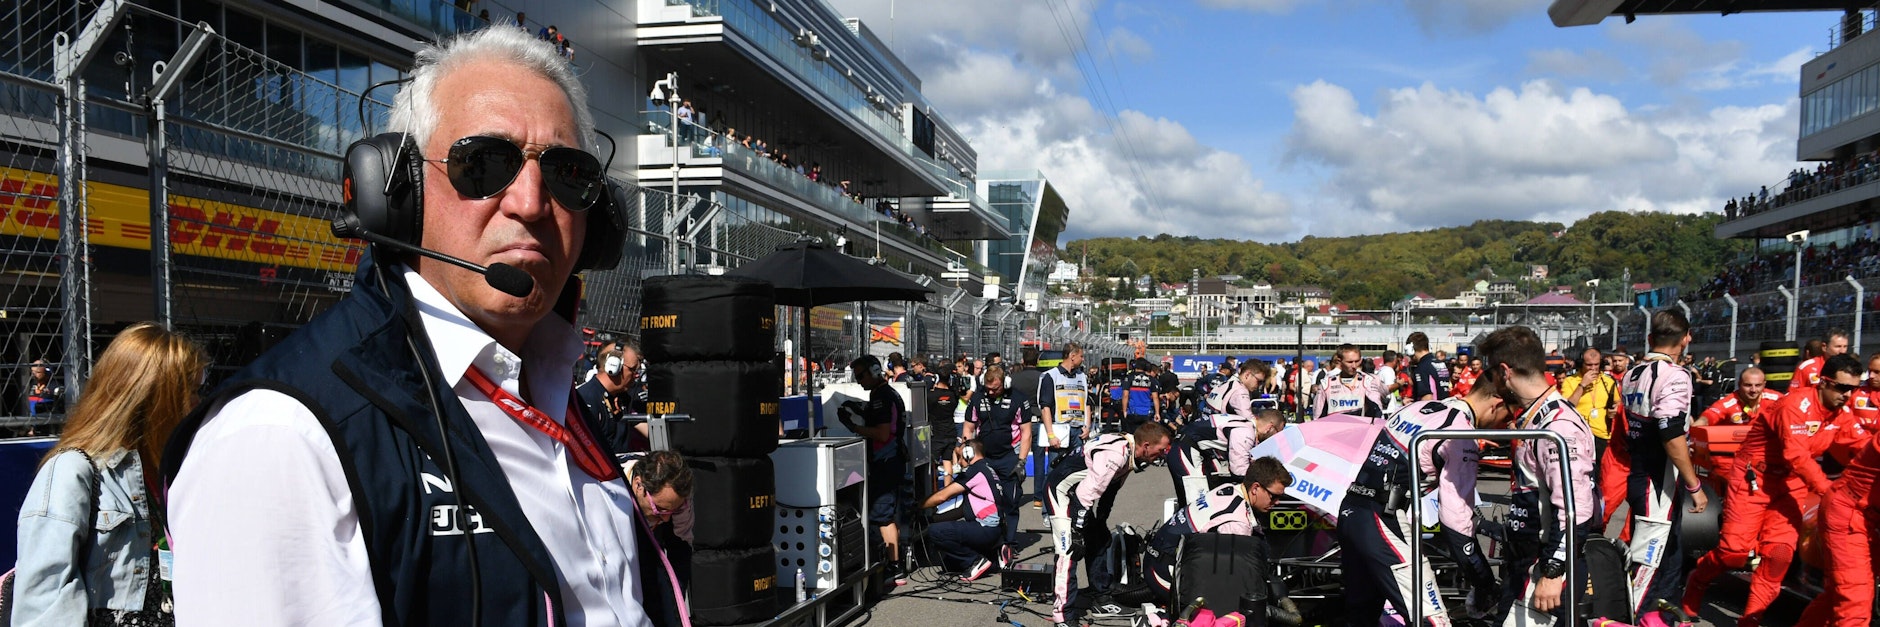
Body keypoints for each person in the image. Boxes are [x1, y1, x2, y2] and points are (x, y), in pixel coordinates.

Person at [164, 28, 687, 626]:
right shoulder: (281, 437)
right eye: (485, 163)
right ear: (398, 189)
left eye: (567, 173)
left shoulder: (559, 398)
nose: (531, 201)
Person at [14, 323, 206, 625]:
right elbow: (43, 604)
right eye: (191, 390)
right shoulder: (72, 471)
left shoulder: (172, 470)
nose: (198, 403)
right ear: (154, 397)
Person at [1336, 333, 1509, 626]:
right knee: (1432, 620)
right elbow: (1456, 523)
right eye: (1508, 414)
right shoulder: (1460, 433)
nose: (1506, 424)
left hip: (1351, 510)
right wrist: (1482, 580)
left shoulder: (1417, 407)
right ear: (1496, 403)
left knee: (1361, 616)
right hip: (1382, 519)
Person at [1680, 354, 1859, 625]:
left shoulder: (1842, 413)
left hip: (1791, 485)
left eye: (1854, 389)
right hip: (1755, 478)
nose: (1848, 395)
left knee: (1779, 555)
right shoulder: (1796, 405)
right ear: (1823, 382)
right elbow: (1796, 455)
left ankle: (1751, 620)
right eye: (1843, 388)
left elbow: (1861, 446)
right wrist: (1830, 491)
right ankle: (1698, 580)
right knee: (1734, 553)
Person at [1487, 327, 1597, 625]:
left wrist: (1553, 571)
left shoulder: (1558, 427)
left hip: (1546, 565)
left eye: (1491, 374)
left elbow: (1576, 510)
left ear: (1504, 371)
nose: (1491, 383)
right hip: (1527, 560)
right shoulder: (1535, 418)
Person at [1618, 310, 1708, 617]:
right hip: (1659, 479)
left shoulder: (1630, 373)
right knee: (1650, 562)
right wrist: (1695, 484)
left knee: (1670, 555)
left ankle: (1664, 619)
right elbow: (1670, 434)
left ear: (1649, 339)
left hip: (1641, 471)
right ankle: (1635, 619)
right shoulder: (1675, 375)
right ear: (1686, 339)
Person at [1143, 456, 1300, 623]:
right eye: (1273, 496)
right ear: (1255, 488)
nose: (1277, 502)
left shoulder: (1230, 489)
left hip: (1156, 556)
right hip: (1164, 573)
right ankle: (1159, 620)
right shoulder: (1237, 523)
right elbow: (1228, 577)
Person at [1047, 422, 1174, 626]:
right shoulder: (1116, 455)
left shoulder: (1130, 451)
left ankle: (1101, 598)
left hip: (1080, 494)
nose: (1161, 456)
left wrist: (1100, 519)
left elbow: (1110, 488)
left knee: (1100, 538)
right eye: (1160, 451)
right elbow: (1085, 495)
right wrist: (1078, 531)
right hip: (1061, 491)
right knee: (1069, 551)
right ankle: (1063, 615)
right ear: (1147, 446)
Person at [1793, 361, 1880, 626]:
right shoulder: (1796, 405)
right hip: (1849, 513)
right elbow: (1795, 454)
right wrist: (1822, 486)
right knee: (1855, 603)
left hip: (1868, 514)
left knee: (1838, 596)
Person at [838, 355, 911, 586]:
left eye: (860, 375)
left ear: (873, 371)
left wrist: (854, 426)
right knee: (887, 514)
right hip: (892, 460)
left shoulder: (881, 396)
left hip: (887, 462)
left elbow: (881, 433)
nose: (858, 380)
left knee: (881, 515)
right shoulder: (885, 393)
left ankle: (894, 566)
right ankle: (895, 561)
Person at [961, 363, 1036, 560]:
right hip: (983, 459)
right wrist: (968, 452)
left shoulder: (1019, 399)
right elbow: (968, 428)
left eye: (995, 388)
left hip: (1009, 458)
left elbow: (1026, 433)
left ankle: (1009, 543)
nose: (991, 392)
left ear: (1006, 383)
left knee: (1010, 501)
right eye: (988, 388)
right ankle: (986, 541)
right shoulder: (978, 398)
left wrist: (1021, 462)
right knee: (980, 502)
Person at [919, 438, 1010, 581]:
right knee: (948, 564)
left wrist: (918, 505)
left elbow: (943, 496)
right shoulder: (986, 469)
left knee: (935, 532)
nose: (959, 462)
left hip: (985, 528)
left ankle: (975, 561)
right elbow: (963, 509)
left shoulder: (973, 472)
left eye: (961, 457)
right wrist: (932, 519)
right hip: (994, 529)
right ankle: (994, 555)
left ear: (969, 454)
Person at [620, 450, 696, 588]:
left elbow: (681, 548)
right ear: (639, 486)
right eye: (659, 509)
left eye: (674, 510)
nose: (666, 518)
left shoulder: (679, 494)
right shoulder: (610, 487)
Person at [1036, 343, 1089, 508]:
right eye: (1081, 356)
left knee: (1078, 473)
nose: (1083, 359)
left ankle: (1072, 511)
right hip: (1059, 431)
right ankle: (1048, 511)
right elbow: (1045, 407)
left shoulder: (1082, 377)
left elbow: (1087, 403)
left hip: (1078, 432)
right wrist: (1051, 434)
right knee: (1054, 472)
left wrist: (1087, 426)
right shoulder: (1050, 376)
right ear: (1072, 356)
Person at [1559, 347, 1621, 461]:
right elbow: (1566, 407)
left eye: (1596, 364)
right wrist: (1582, 385)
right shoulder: (1570, 381)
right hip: (1578, 435)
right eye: (1589, 365)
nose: (1593, 368)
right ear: (1581, 363)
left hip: (1601, 435)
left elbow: (1618, 402)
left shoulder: (1608, 381)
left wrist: (1616, 409)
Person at [1828, 353, 1880, 466]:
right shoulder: (1854, 390)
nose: (1871, 375)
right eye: (1869, 370)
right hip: (1848, 455)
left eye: (1877, 372)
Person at [1312, 344, 1386, 419]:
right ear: (1339, 361)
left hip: (1360, 429)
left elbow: (1377, 413)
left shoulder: (1369, 381)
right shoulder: (1326, 384)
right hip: (1335, 429)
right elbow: (1317, 418)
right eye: (1350, 362)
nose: (1354, 366)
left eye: (1357, 361)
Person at [1790, 329, 1851, 397]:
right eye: (1838, 346)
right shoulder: (1806, 367)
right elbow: (1793, 396)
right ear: (1824, 347)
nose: (1842, 351)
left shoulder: (1850, 369)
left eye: (1845, 347)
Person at [1111, 359, 1159, 435]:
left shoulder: (1129, 378)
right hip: (1146, 413)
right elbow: (1155, 397)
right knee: (1145, 436)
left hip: (1132, 412)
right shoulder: (1151, 379)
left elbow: (1125, 395)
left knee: (1131, 436)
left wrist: (1124, 410)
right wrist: (1157, 413)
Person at [1408, 332, 1448, 401]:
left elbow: (1426, 397)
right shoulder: (1441, 364)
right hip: (1444, 408)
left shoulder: (1422, 367)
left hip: (1433, 409)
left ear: (1410, 349)